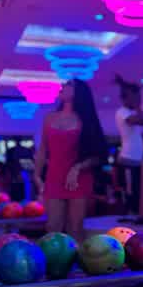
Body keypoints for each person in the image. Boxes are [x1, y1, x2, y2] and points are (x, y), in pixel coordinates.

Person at [34, 79, 107, 242]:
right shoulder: (49, 118)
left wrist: (78, 167)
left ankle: (78, 258)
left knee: (75, 228)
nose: (63, 86)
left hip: (78, 179)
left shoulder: (86, 120)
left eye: (69, 85)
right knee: (53, 227)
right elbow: (43, 150)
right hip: (54, 177)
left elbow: (99, 155)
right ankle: (54, 259)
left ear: (78, 92)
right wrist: (37, 176)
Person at [114, 75, 143, 215]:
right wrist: (138, 106)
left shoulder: (132, 112)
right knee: (130, 190)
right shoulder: (122, 112)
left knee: (138, 189)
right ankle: (129, 215)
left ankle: (136, 214)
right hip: (128, 158)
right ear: (126, 98)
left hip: (137, 159)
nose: (138, 99)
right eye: (135, 97)